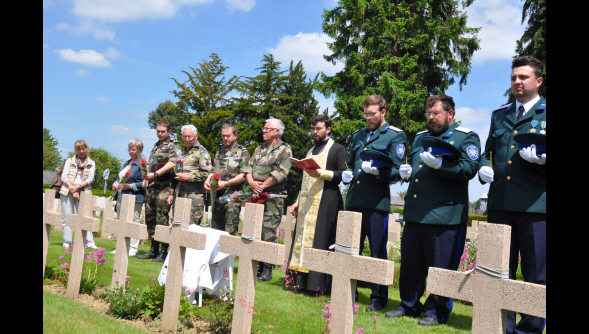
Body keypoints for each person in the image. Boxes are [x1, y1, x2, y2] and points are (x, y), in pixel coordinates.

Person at [386, 95, 481, 327]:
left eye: (436, 113)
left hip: (444, 214)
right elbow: (417, 168)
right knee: (411, 263)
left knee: (441, 267)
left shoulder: (465, 137)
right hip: (416, 212)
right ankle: (409, 304)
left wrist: (442, 166)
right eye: (428, 113)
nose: (431, 118)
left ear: (451, 114)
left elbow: (470, 168)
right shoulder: (420, 138)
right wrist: (406, 171)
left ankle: (436, 310)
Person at [478, 56, 546, 334]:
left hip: (535, 205)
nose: (517, 82)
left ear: (538, 81)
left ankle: (529, 329)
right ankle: (499, 325)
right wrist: (483, 166)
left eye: (523, 77)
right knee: (498, 268)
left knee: (535, 273)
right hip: (500, 202)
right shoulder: (500, 115)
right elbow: (488, 151)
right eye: (514, 78)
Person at [341, 95, 406, 312]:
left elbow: (398, 170)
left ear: (383, 112)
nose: (368, 118)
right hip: (354, 199)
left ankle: (379, 298)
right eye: (366, 114)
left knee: (377, 251)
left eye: (372, 114)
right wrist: (346, 174)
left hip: (376, 203)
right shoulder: (358, 135)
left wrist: (379, 172)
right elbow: (350, 163)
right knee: (350, 249)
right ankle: (349, 291)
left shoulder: (394, 136)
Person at [287, 114, 348, 296]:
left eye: (318, 128)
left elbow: (343, 175)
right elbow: (305, 181)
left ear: (328, 129)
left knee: (320, 240)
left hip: (327, 201)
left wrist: (321, 173)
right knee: (303, 240)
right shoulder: (310, 150)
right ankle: (300, 282)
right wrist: (298, 201)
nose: (314, 132)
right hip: (307, 204)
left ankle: (317, 286)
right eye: (312, 128)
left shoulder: (338, 149)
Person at [243, 118, 292, 282]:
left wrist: (261, 186)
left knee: (269, 231)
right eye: (263, 128)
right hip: (256, 193)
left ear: (277, 131)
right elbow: (248, 167)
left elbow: (281, 173)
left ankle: (267, 269)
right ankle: (257, 265)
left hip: (273, 196)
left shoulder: (285, 149)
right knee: (254, 230)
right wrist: (251, 183)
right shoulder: (259, 148)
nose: (263, 131)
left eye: (267, 129)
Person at [137, 120, 178, 262]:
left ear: (169, 131)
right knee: (150, 218)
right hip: (152, 187)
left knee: (162, 219)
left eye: (163, 131)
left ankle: (164, 251)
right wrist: (146, 178)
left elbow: (172, 163)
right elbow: (150, 164)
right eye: (158, 131)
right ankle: (153, 249)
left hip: (164, 187)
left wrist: (155, 175)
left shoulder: (173, 146)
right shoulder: (156, 145)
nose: (160, 134)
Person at [205, 124, 250, 235]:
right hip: (217, 197)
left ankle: (229, 254)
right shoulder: (219, 152)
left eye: (228, 136)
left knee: (229, 234)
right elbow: (214, 171)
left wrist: (227, 183)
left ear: (235, 136)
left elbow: (245, 175)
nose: (225, 138)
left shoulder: (242, 152)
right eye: (223, 136)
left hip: (232, 198)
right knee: (214, 233)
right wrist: (208, 180)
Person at [59, 139, 98, 249]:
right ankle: (67, 242)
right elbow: (63, 177)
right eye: (79, 149)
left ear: (87, 149)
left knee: (85, 218)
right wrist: (72, 189)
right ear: (75, 150)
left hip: (83, 192)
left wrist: (77, 188)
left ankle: (89, 242)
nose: (81, 151)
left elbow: (90, 179)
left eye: (83, 148)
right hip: (67, 191)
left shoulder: (91, 163)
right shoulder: (69, 161)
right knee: (67, 217)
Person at [111, 139, 146, 257]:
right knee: (122, 222)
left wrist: (129, 186)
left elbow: (145, 183)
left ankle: (132, 248)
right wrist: (116, 183)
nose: (131, 151)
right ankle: (121, 246)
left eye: (133, 149)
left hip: (135, 198)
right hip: (122, 196)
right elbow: (119, 177)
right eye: (129, 149)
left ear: (140, 150)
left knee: (134, 222)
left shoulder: (142, 164)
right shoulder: (126, 163)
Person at [174, 124, 212, 227]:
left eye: (189, 136)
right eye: (184, 137)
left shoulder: (202, 151)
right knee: (178, 227)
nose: (187, 139)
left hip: (194, 196)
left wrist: (187, 177)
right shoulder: (180, 151)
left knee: (191, 229)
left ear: (196, 136)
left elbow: (207, 173)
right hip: (179, 194)